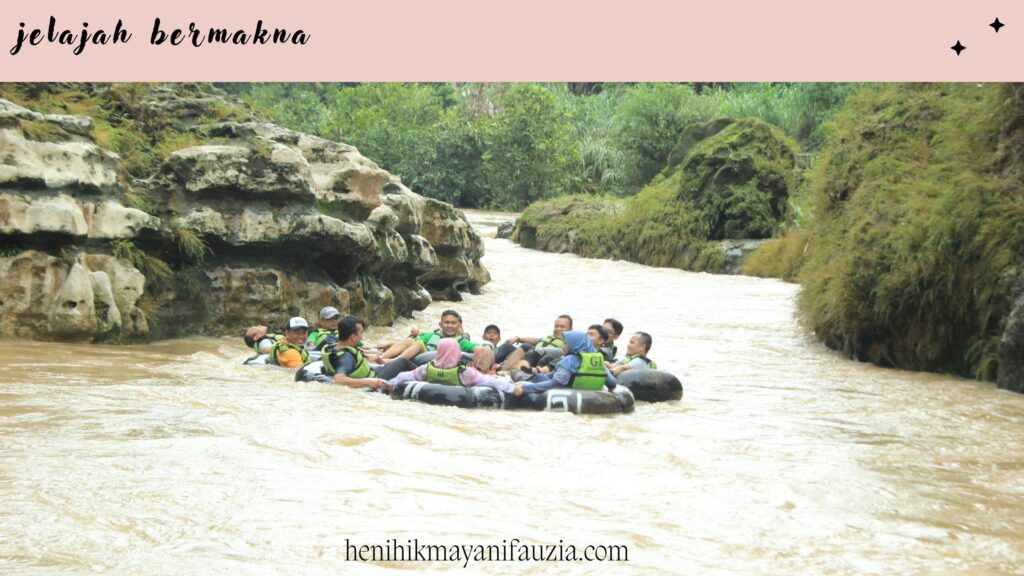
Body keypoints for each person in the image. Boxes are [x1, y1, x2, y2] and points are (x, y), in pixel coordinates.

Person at [388, 338, 516, 394]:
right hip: (462, 395)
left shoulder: (426, 368)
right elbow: (491, 382)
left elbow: (402, 377)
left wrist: (388, 385)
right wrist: (513, 389)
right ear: (457, 354)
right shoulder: (466, 373)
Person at [511, 330, 617, 395]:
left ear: (575, 345)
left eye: (566, 343)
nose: (563, 347)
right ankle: (523, 374)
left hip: (545, 381)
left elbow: (556, 384)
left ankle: (519, 375)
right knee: (542, 375)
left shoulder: (568, 360)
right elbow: (612, 383)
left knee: (515, 373)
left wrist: (525, 388)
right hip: (551, 378)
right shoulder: (599, 362)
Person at [322, 316, 415, 389]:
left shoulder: (333, 348)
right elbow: (338, 380)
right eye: (361, 333)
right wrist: (369, 382)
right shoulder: (346, 357)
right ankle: (425, 373)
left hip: (371, 371)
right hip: (375, 377)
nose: (362, 337)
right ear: (353, 337)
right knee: (403, 362)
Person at [378, 309, 476, 361]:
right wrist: (415, 329)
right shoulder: (432, 335)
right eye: (446, 322)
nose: (450, 325)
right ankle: (382, 357)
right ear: (440, 325)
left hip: (436, 359)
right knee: (410, 340)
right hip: (421, 356)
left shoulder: (462, 342)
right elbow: (414, 338)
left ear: (459, 325)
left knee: (419, 343)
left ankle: (393, 361)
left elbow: (477, 348)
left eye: (453, 323)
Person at [496, 314, 573, 368]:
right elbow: (536, 340)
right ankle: (490, 364)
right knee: (507, 346)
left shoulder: (570, 342)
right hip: (531, 354)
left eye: (562, 327)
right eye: (556, 326)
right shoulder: (550, 338)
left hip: (542, 360)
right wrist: (517, 339)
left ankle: (503, 371)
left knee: (526, 346)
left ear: (570, 330)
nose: (558, 329)